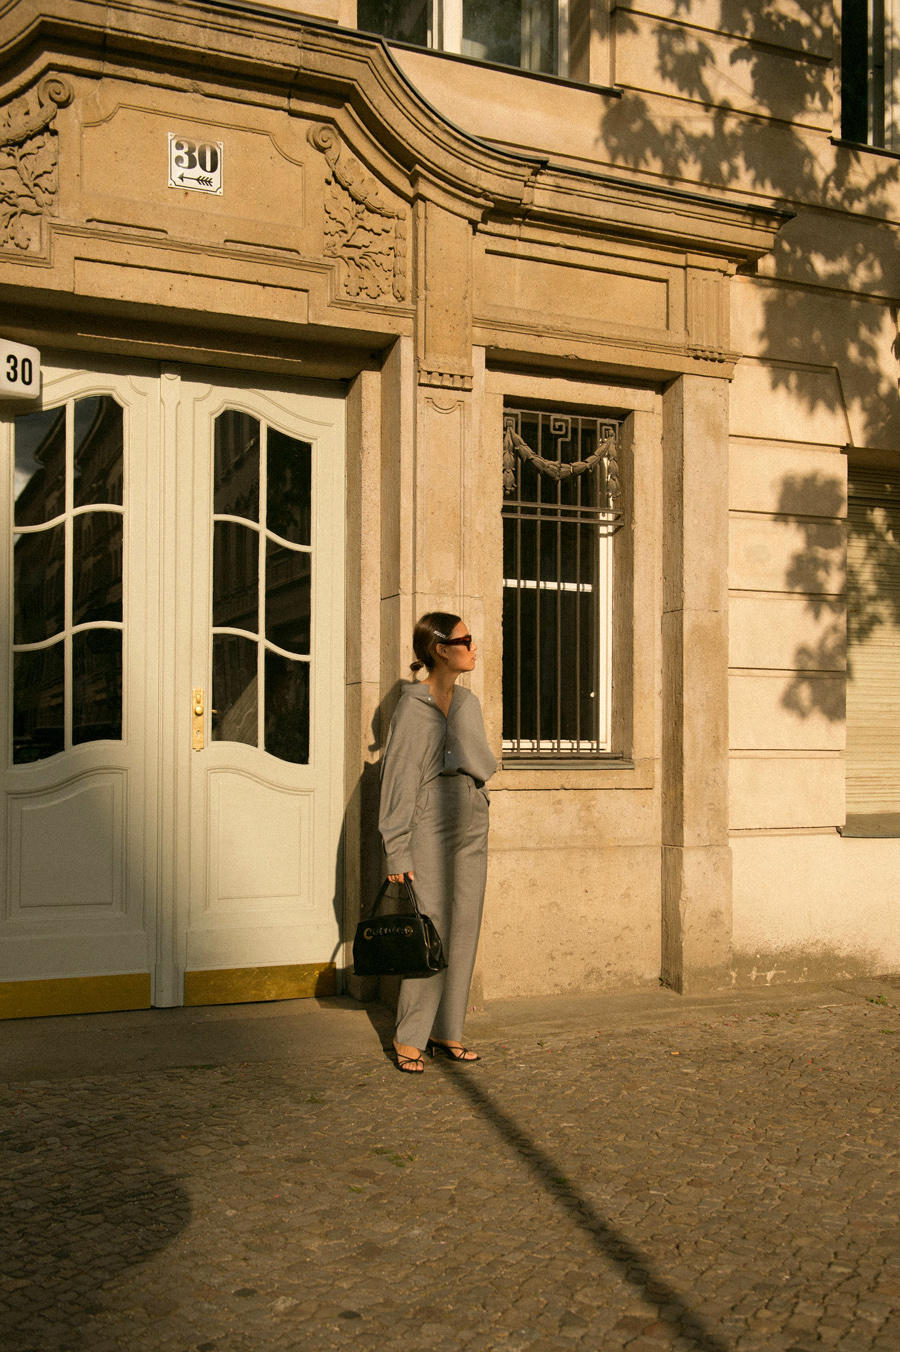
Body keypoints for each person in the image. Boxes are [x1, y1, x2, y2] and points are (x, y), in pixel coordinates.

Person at [378, 612, 497, 1073]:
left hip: (470, 815)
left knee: (465, 925)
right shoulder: (412, 709)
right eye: (466, 640)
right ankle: (409, 1036)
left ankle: (448, 1031)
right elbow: (397, 781)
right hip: (428, 821)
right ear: (440, 649)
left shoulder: (467, 704)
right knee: (433, 926)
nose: (473, 647)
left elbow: (480, 759)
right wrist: (396, 847)